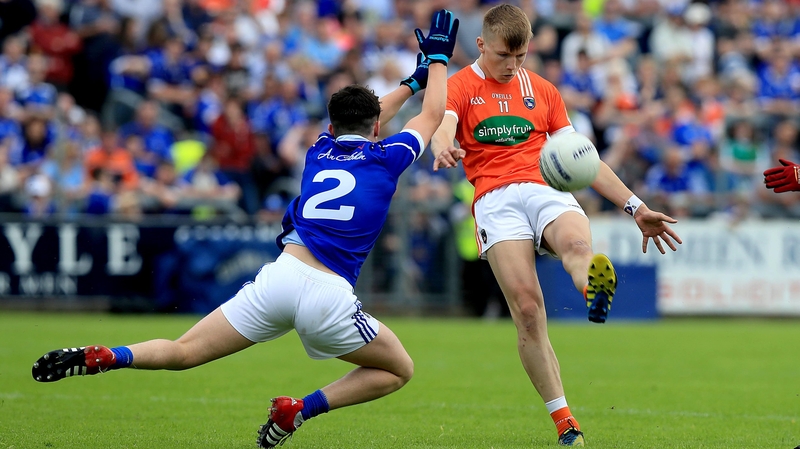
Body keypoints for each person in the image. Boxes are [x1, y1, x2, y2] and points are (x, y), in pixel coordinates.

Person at [31, 9, 459, 449]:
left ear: (332, 128)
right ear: (377, 128)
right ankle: (300, 409)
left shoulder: (319, 149)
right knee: (398, 369)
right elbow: (431, 114)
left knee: (184, 352)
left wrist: (412, 80)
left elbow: (367, 117)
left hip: (281, 277)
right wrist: (438, 61)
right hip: (328, 295)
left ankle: (112, 355)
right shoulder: (387, 157)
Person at [430, 4, 681, 446]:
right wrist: (444, 145)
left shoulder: (543, 90)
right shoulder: (460, 85)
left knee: (578, 249)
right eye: (503, 55)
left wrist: (636, 207)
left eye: (521, 56)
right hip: (495, 199)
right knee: (528, 310)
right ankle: (566, 422)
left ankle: (591, 290)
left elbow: (585, 161)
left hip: (546, 186)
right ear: (481, 44)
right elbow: (442, 126)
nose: (512, 65)